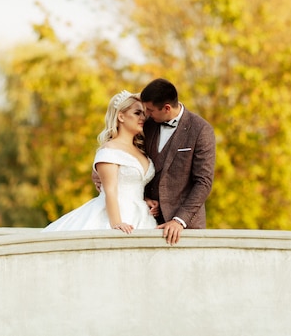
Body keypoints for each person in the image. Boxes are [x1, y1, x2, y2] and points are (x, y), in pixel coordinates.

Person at [42, 90, 157, 233]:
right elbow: (111, 191)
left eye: (144, 113)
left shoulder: (141, 151)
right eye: (137, 113)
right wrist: (116, 223)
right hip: (117, 215)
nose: (143, 118)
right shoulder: (109, 151)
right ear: (121, 116)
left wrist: (145, 200)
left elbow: (131, 185)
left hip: (142, 216)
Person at [140, 78, 215, 245]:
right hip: (146, 221)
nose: (147, 114)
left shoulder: (201, 130)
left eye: (150, 110)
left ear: (167, 108)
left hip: (185, 227)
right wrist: (143, 198)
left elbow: (203, 182)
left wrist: (179, 220)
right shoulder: (147, 125)